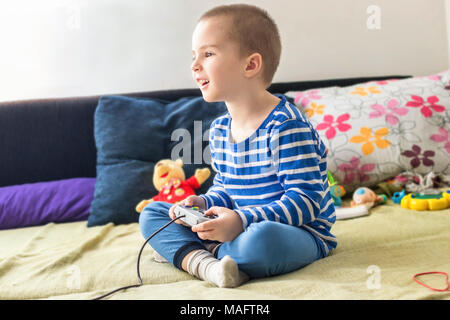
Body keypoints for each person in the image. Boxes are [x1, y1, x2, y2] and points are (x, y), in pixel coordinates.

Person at [139, 3, 337, 288]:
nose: (194, 66)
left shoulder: (286, 125)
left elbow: (306, 202)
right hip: (237, 227)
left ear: (250, 65)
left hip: (298, 232)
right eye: (194, 56)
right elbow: (226, 188)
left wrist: (242, 220)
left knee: (262, 240)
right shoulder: (220, 130)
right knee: (154, 214)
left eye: (208, 54)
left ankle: (194, 254)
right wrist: (204, 203)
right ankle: (212, 265)